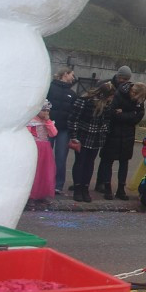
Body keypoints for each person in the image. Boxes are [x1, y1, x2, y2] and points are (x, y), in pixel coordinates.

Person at [96, 82, 146, 201]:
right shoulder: (119, 94)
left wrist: (124, 114)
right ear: (134, 92)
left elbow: (138, 116)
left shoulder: (139, 102)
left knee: (124, 163)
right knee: (108, 161)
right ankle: (107, 187)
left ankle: (121, 188)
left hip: (128, 134)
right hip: (113, 132)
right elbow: (112, 113)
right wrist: (129, 115)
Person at [67, 81, 115, 203]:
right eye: (110, 96)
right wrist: (73, 135)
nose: (111, 99)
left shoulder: (107, 105)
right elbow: (73, 119)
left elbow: (107, 121)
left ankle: (85, 188)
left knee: (90, 163)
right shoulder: (84, 101)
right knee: (80, 162)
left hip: (96, 137)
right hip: (82, 135)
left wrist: (104, 130)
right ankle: (78, 188)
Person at [45, 67, 76, 195]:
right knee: (46, 155)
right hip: (49, 126)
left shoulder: (72, 94)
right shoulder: (50, 88)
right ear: (65, 74)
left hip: (64, 129)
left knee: (61, 158)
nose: (73, 78)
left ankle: (58, 185)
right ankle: (45, 182)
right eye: (71, 75)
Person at [26, 101, 57, 206]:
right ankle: (31, 196)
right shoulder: (32, 121)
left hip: (45, 149)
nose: (46, 113)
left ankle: (42, 194)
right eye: (43, 110)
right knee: (35, 172)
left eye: (48, 111)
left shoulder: (47, 121)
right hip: (35, 147)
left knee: (45, 171)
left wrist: (48, 121)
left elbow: (53, 133)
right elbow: (27, 135)